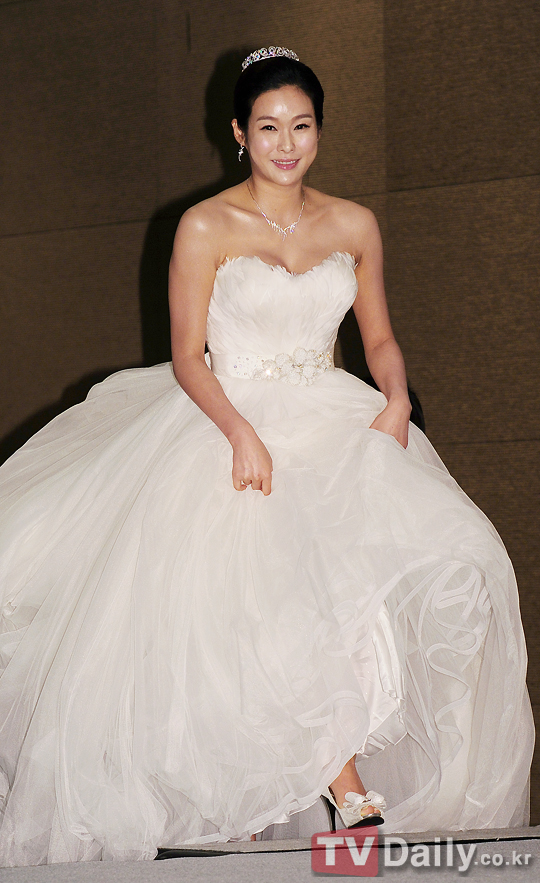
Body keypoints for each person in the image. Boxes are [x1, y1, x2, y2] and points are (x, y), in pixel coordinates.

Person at [0, 46, 534, 866]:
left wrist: (396, 398)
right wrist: (239, 430)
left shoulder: (354, 224)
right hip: (226, 420)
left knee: (447, 559)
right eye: (269, 127)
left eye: (302, 126)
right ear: (239, 134)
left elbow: (379, 337)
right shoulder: (205, 225)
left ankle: (312, 791)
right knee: (267, 596)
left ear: (320, 130)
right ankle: (346, 790)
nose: (287, 144)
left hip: (332, 419)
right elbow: (187, 355)